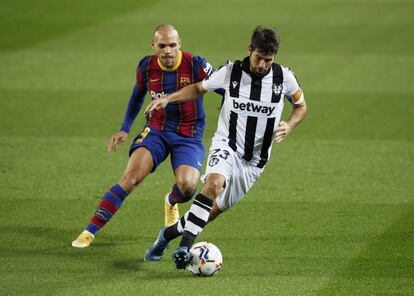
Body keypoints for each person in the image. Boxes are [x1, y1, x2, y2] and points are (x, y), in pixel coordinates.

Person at [143, 26, 307, 268]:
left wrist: (291, 125)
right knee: (213, 184)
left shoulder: (285, 79)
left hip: (254, 161)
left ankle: (166, 235)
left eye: (268, 60)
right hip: (227, 144)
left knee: (208, 213)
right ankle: (183, 249)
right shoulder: (231, 72)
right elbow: (199, 88)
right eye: (258, 58)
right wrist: (168, 98)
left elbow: (301, 107)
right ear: (249, 50)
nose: (262, 65)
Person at [71, 24, 220, 248]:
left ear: (179, 43)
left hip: (189, 134)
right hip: (156, 131)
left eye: (172, 45)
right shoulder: (146, 66)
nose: (167, 51)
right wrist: (124, 128)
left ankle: (171, 201)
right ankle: (89, 231)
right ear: (154, 46)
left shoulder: (196, 64)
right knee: (131, 178)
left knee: (188, 187)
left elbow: (223, 85)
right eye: (162, 46)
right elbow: (136, 96)